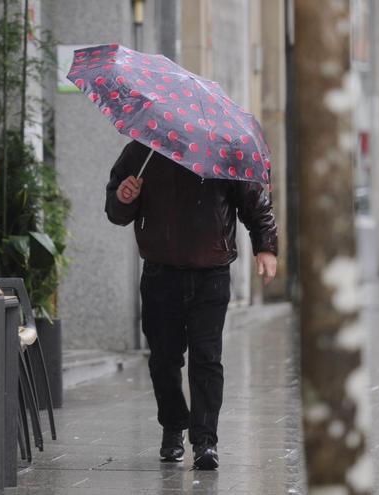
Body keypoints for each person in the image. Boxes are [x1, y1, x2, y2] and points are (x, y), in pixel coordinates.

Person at [105, 140, 278, 470]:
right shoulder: (142, 151)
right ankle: (173, 426)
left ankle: (205, 441)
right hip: (159, 272)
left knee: (207, 357)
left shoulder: (223, 151)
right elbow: (116, 211)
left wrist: (265, 245)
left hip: (211, 271)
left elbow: (255, 203)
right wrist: (123, 199)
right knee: (163, 358)